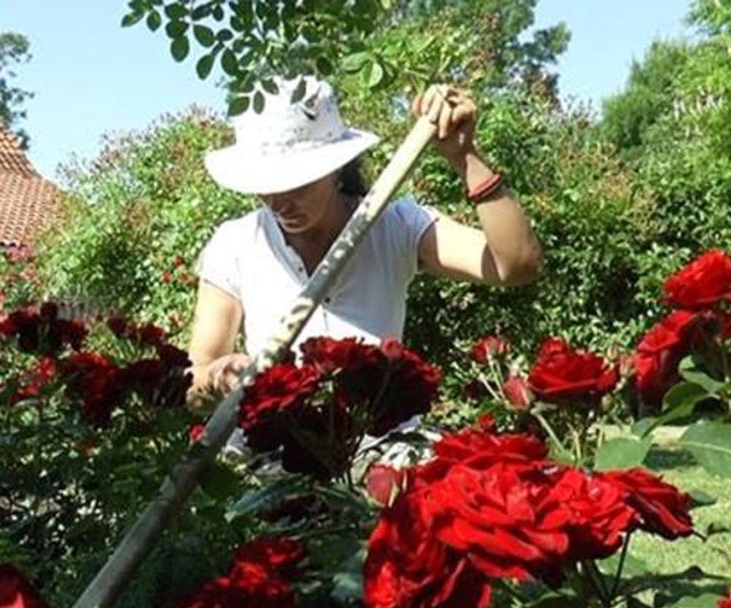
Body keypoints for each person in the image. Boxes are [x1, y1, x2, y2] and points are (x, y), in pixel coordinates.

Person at [187, 77, 542, 405]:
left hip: (382, 449)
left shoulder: (396, 226)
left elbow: (516, 266)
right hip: (272, 458)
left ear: (335, 168)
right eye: (265, 184)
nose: (278, 201)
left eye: (297, 184)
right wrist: (218, 375)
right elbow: (199, 373)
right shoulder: (235, 244)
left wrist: (465, 157)